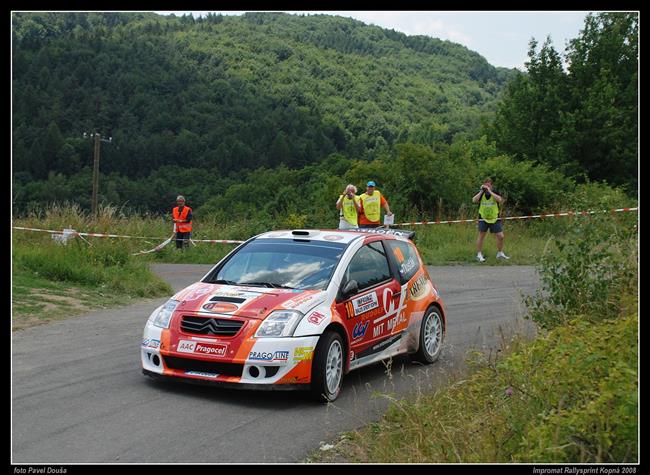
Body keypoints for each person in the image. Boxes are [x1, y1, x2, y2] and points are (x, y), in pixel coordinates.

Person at [472, 178, 509, 262]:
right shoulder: (481, 193)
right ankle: (479, 254)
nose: (487, 186)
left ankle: (500, 253)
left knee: (501, 236)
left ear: (491, 186)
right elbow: (474, 200)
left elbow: (500, 200)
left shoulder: (495, 192)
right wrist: (481, 191)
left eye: (489, 185)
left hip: (494, 217)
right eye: (486, 185)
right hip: (483, 218)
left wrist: (490, 191)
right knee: (481, 236)